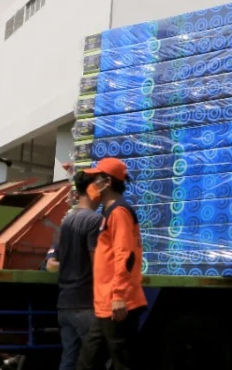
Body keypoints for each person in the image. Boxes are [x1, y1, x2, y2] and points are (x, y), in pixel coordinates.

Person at [77, 158, 147, 370]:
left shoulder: (119, 212)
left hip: (118, 305)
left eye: (95, 178)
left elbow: (125, 255)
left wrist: (118, 296)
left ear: (107, 182)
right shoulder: (109, 213)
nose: (91, 183)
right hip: (106, 306)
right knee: (87, 363)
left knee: (121, 363)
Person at [48, 171, 104, 370]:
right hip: (84, 304)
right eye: (99, 186)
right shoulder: (94, 221)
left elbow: (55, 262)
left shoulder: (67, 222)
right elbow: (97, 263)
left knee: (69, 359)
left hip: (65, 303)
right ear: (91, 190)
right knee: (97, 360)